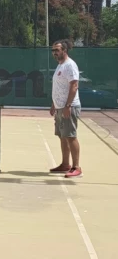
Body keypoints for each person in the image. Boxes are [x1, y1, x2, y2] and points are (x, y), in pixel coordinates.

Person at [49, 39, 82, 178]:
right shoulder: (60, 65)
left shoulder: (70, 65)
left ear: (64, 50)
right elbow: (59, 87)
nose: (54, 53)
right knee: (63, 136)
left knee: (70, 136)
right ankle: (65, 164)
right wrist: (54, 105)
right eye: (53, 50)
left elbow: (74, 85)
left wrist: (68, 106)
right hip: (59, 108)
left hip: (69, 107)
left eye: (57, 50)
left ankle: (76, 167)